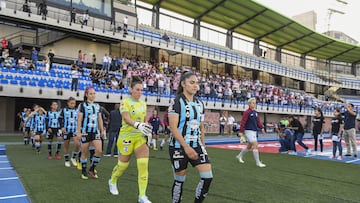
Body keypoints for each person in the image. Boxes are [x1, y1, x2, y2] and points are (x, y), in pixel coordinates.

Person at [168, 71, 213, 203]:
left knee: (207, 177)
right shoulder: (176, 102)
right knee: (179, 181)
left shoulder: (200, 104)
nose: (195, 86)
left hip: (196, 145)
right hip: (179, 147)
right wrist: (186, 147)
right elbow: (173, 127)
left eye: (197, 83)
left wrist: (203, 146)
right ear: (183, 84)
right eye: (192, 82)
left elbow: (201, 127)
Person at [108, 76, 153, 203]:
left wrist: (147, 132)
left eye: (141, 90)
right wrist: (138, 125)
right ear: (131, 89)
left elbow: (144, 120)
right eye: (137, 89)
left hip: (139, 137)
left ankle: (142, 196)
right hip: (126, 137)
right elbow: (126, 118)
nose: (139, 92)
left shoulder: (143, 104)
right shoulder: (125, 102)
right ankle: (112, 180)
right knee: (122, 165)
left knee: (143, 165)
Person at [77, 87, 105, 179]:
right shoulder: (82, 105)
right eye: (90, 94)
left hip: (95, 132)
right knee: (84, 152)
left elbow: (99, 119)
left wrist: (102, 131)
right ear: (86, 95)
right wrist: (79, 132)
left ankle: (92, 169)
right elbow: (79, 120)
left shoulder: (98, 106)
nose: (93, 95)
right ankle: (84, 170)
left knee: (99, 150)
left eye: (94, 93)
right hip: (85, 132)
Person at [236, 98, 266, 167]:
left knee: (249, 147)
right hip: (248, 131)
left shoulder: (255, 112)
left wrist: (262, 128)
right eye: (253, 103)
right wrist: (241, 131)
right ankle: (258, 162)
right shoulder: (247, 112)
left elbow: (258, 122)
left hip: (254, 131)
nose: (254, 104)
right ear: (249, 104)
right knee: (255, 145)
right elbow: (243, 122)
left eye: (255, 103)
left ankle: (239, 156)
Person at [60, 97, 81, 167]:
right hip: (66, 130)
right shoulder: (64, 110)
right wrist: (62, 127)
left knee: (77, 144)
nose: (72, 105)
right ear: (68, 103)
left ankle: (73, 157)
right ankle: (66, 160)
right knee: (66, 146)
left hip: (75, 130)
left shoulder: (77, 110)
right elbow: (60, 119)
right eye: (71, 103)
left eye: (74, 103)